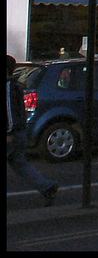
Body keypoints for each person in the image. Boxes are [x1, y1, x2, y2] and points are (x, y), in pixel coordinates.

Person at [6, 55, 58, 207]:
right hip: (19, 133)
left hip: (12, 134)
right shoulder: (16, 85)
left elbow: (10, 112)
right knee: (20, 165)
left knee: (20, 164)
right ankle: (47, 186)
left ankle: (47, 187)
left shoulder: (8, 87)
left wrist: (9, 132)